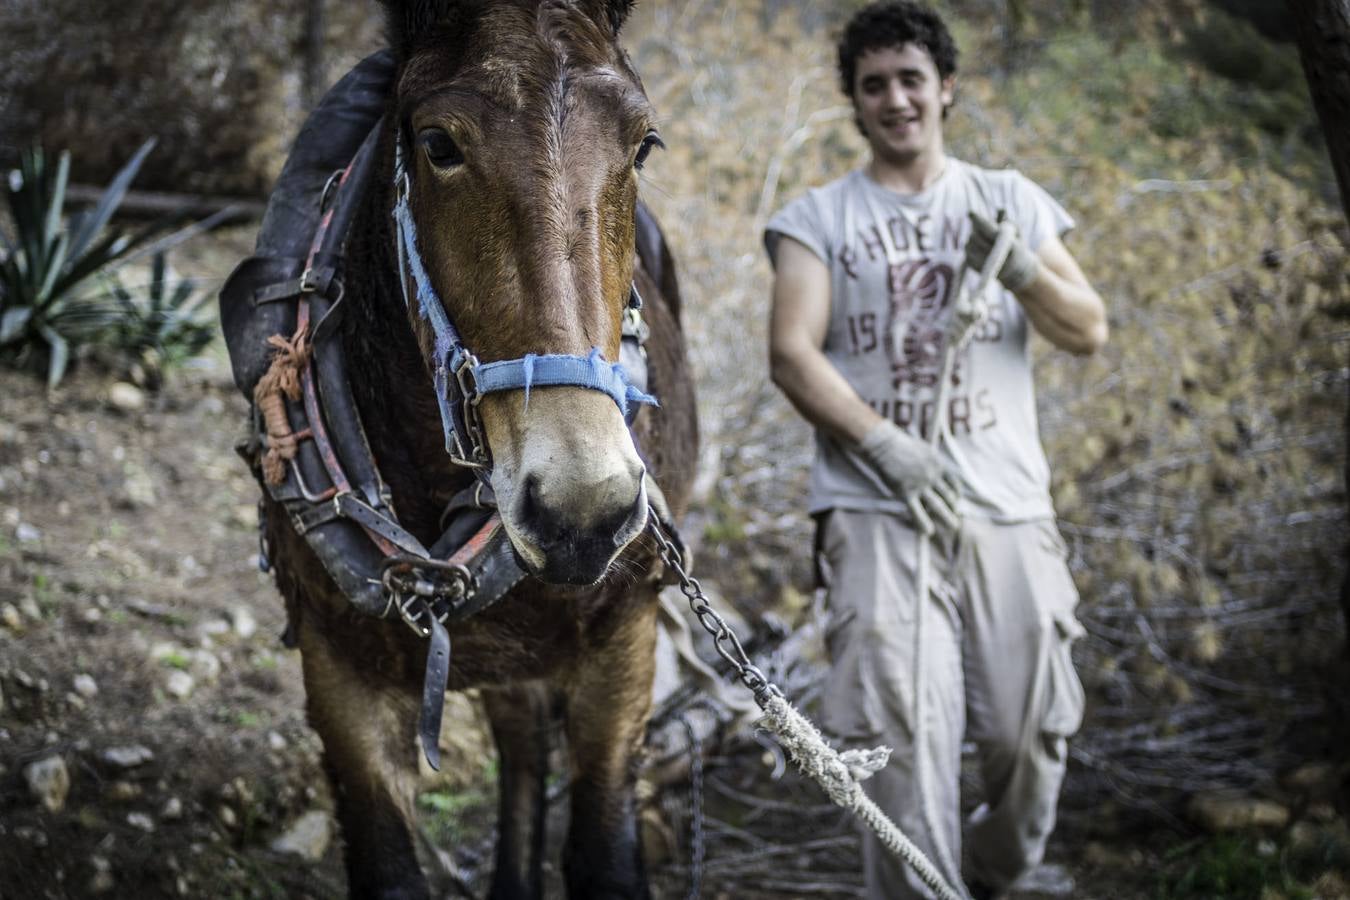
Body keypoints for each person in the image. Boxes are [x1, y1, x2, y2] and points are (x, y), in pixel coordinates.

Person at [764, 3, 1107, 898]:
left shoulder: (1009, 199)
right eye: (873, 84)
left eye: (911, 79)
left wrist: (1025, 269)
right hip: (877, 507)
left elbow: (1090, 329)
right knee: (902, 739)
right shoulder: (819, 218)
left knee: (1030, 736)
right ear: (854, 102)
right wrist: (885, 447)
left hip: (1007, 506)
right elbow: (792, 352)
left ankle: (994, 875)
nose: (895, 99)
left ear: (945, 88)